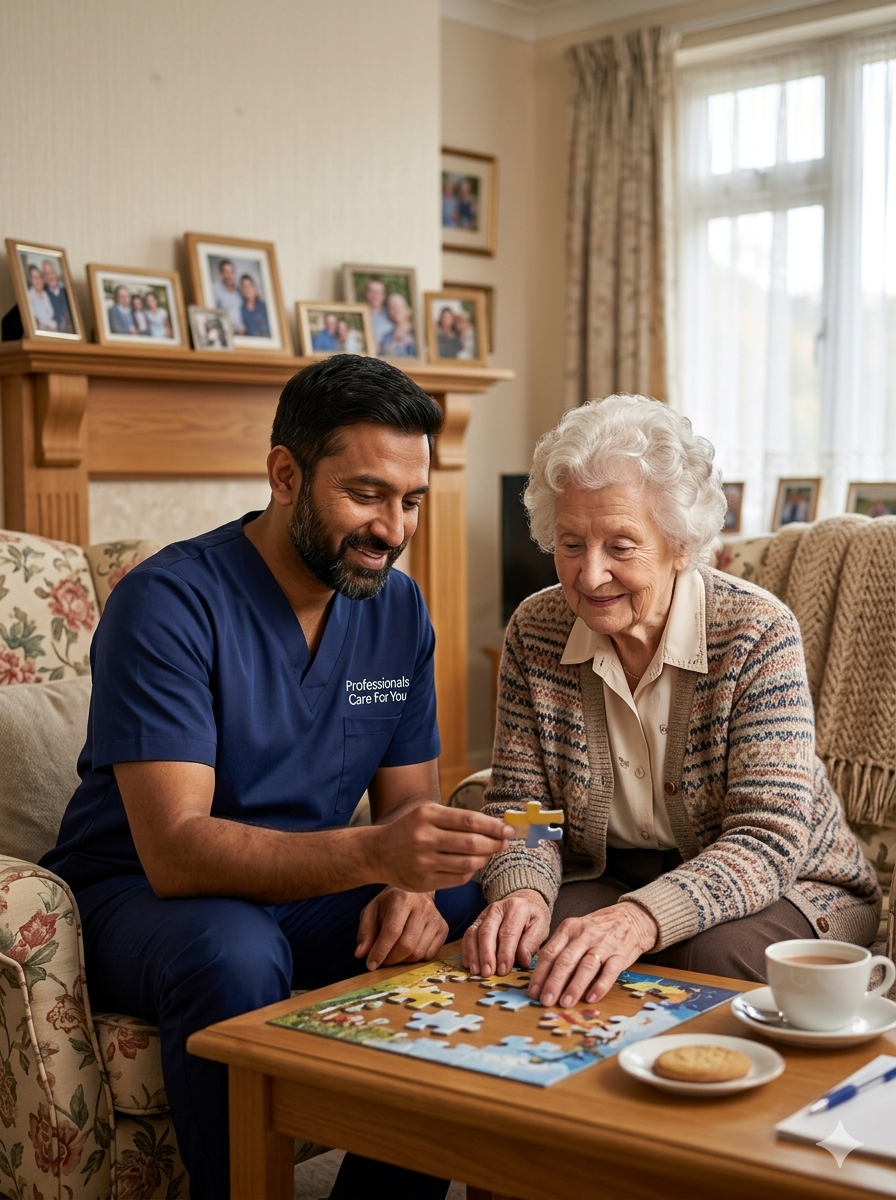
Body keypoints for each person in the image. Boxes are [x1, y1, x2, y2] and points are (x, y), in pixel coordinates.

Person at [42, 354, 512, 1200]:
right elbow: (177, 852)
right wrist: (378, 856)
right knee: (234, 950)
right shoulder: (168, 602)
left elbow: (409, 802)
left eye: (411, 501)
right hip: (142, 895)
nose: (393, 529)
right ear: (285, 475)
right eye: (365, 494)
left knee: (474, 906)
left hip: (308, 884)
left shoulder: (397, 607)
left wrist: (410, 883)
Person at [464, 395, 880, 1012]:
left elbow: (767, 836)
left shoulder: (756, 632)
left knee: (705, 960)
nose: (590, 575)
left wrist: (638, 920)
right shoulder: (535, 629)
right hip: (608, 871)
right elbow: (526, 807)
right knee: (534, 946)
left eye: (621, 546)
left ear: (680, 544)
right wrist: (523, 889)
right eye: (571, 543)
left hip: (792, 881)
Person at [377, 293, 417, 358]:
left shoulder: (416, 333)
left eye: (398, 306)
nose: (396, 310)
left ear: (407, 310)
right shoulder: (386, 337)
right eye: (392, 307)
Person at [212, 258, 246, 334]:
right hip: (224, 331)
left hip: (242, 332)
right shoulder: (215, 290)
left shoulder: (239, 290)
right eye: (226, 272)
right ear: (221, 274)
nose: (229, 276)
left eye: (231, 272)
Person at [41, 258, 73, 333]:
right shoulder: (42, 294)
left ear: (57, 274)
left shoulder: (66, 292)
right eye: (46, 274)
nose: (50, 277)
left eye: (51, 272)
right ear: (44, 278)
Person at [25, 263, 58, 331]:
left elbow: (50, 314)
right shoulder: (28, 296)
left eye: (40, 277)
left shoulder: (45, 294)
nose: (38, 280)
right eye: (35, 278)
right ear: (31, 280)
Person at [364, 276, 394, 349]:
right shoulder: (359, 316)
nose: (375, 295)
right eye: (372, 291)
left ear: (384, 295)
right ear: (366, 293)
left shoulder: (392, 314)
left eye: (379, 292)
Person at [239, 273, 270, 338]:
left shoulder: (264, 306)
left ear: (254, 287)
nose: (247, 289)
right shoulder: (241, 309)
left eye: (249, 286)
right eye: (244, 287)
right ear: (241, 290)